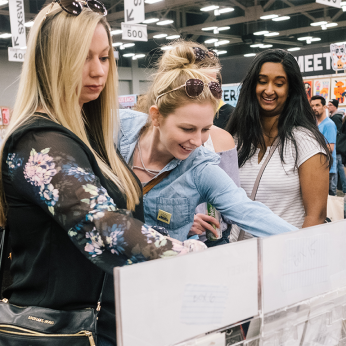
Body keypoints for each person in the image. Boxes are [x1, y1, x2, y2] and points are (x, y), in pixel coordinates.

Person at [0, 5, 205, 346]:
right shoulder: (38, 143)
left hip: (101, 326)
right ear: (51, 62)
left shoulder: (91, 134)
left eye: (104, 57)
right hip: (58, 336)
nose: (98, 70)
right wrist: (185, 254)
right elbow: (104, 229)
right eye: (82, 58)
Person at [116, 41, 296, 241]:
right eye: (187, 129)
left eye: (205, 129)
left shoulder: (200, 168)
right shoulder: (117, 129)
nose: (197, 141)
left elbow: (247, 211)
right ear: (156, 116)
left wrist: (316, 240)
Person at [226, 49, 331, 240]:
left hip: (284, 259)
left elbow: (315, 217)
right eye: (262, 81)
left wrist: (296, 258)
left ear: (291, 89)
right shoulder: (236, 140)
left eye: (279, 83)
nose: (269, 90)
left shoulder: (305, 142)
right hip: (236, 259)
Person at [311, 95, 338, 195]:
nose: (314, 108)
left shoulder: (329, 124)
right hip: (318, 168)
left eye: (317, 105)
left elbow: (330, 148)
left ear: (324, 107)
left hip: (328, 169)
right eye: (312, 106)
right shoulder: (315, 124)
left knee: (330, 202)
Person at [327, 98, 346, 194]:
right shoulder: (337, 117)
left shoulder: (335, 118)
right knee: (340, 170)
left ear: (335, 106)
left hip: (336, 148)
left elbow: (337, 133)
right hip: (338, 148)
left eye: (330, 105)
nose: (328, 106)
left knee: (335, 170)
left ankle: (335, 192)